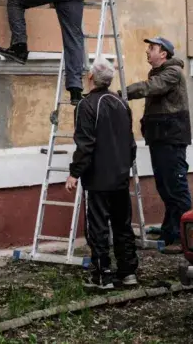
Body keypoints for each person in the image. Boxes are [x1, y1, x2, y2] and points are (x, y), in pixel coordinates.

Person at [66, 59, 139, 290]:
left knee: (97, 227)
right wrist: (124, 167)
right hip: (120, 177)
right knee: (123, 225)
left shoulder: (86, 106)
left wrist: (74, 173)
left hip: (98, 179)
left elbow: (85, 145)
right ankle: (128, 272)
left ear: (90, 78)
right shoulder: (121, 104)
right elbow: (131, 143)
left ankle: (102, 275)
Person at [124, 35, 191, 247]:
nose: (147, 51)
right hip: (161, 139)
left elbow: (151, 87)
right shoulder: (160, 72)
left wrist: (122, 94)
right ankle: (170, 232)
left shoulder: (172, 72)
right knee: (165, 187)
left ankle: (184, 238)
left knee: (176, 188)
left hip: (171, 139)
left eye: (152, 48)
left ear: (163, 53)